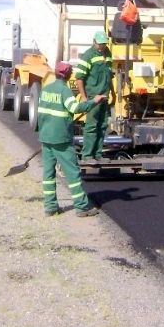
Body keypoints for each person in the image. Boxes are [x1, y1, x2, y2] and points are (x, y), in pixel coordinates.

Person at [38, 62, 107, 217]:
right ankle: (82, 207)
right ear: (69, 75)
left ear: (56, 73)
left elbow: (41, 113)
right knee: (73, 172)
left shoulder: (46, 90)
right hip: (61, 139)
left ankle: (50, 206)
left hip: (46, 137)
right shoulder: (65, 91)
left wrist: (44, 134)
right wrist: (93, 101)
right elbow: (75, 109)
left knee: (48, 173)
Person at [74, 31, 114, 163]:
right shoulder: (88, 56)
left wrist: (112, 92)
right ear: (94, 42)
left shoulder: (108, 53)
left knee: (102, 125)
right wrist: (85, 98)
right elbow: (79, 78)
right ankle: (87, 156)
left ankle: (97, 155)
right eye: (100, 44)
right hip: (93, 97)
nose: (102, 47)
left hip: (104, 96)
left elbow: (109, 76)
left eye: (103, 44)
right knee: (91, 126)